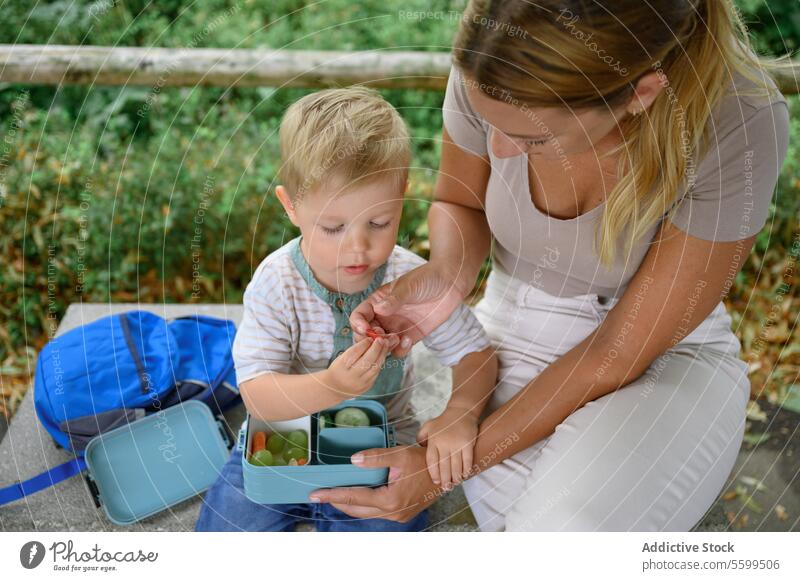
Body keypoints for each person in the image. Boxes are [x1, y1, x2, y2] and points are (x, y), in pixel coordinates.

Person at [309, 0, 791, 531]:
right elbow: (463, 201)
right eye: (487, 119)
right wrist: (447, 276)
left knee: (567, 530)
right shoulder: (496, 57)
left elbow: (619, 351)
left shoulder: (738, 116)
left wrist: (435, 471)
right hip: (512, 339)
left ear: (640, 95)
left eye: (535, 139)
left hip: (666, 357)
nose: (499, 150)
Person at [194, 86, 497, 531]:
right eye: (333, 227)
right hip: (280, 440)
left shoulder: (411, 281)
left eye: (380, 222)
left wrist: (460, 413)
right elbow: (257, 394)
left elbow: (477, 355)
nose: (358, 247)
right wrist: (332, 386)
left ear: (403, 196)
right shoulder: (277, 283)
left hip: (381, 445)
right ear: (291, 206)